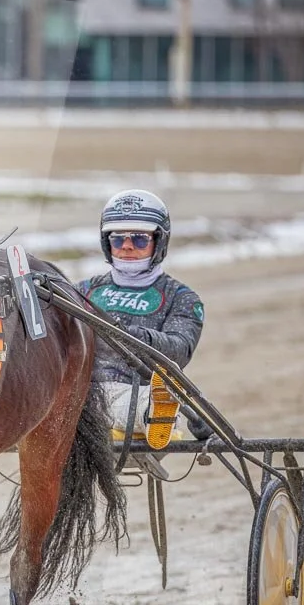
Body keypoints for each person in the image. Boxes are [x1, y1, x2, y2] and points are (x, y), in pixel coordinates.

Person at [76, 190, 206, 467]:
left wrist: (130, 336)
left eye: (139, 238)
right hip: (79, 390)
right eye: (117, 238)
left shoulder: (182, 298)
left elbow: (179, 350)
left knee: (145, 398)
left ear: (159, 242)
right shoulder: (82, 291)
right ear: (106, 242)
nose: (126, 246)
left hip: (136, 390)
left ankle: (158, 412)